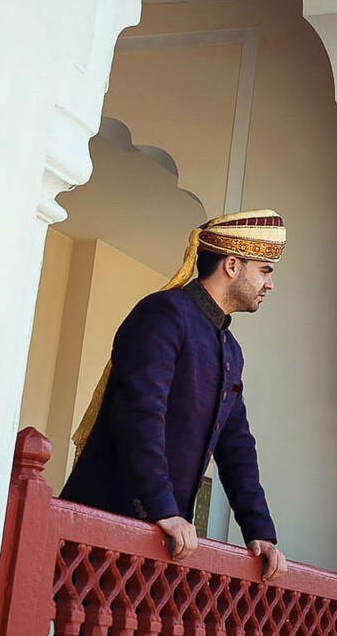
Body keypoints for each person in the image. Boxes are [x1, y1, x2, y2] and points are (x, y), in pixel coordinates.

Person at [63, 210, 289, 580]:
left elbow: (236, 447)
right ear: (232, 265)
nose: (270, 284)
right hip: (110, 521)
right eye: (265, 270)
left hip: (163, 535)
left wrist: (259, 531)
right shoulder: (163, 314)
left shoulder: (230, 349)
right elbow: (140, 414)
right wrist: (160, 508)